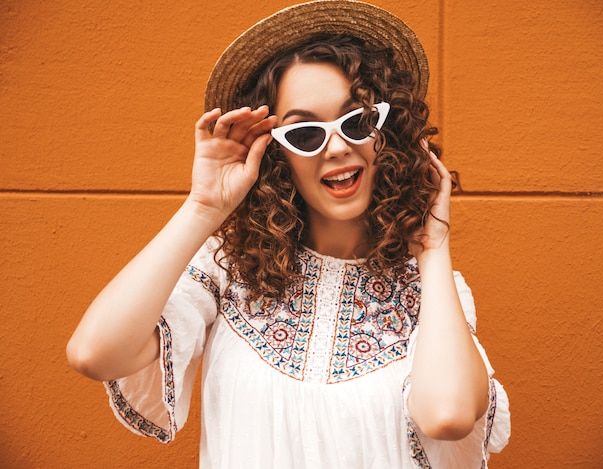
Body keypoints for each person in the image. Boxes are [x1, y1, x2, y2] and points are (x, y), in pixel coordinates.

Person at [67, 1, 510, 467]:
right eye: (304, 134)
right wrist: (202, 208)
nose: (338, 147)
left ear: (388, 134)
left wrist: (434, 247)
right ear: (276, 155)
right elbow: (93, 353)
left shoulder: (434, 292)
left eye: (357, 121)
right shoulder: (227, 272)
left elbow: (448, 416)